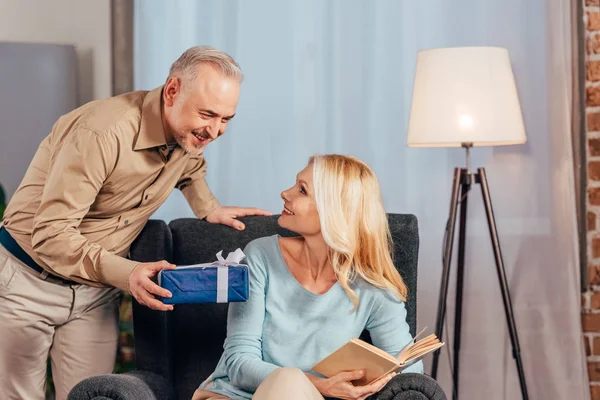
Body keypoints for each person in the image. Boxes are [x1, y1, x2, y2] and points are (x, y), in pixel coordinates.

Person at [0, 46, 270, 400]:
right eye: (208, 114)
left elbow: (190, 166)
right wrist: (128, 273)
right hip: (26, 281)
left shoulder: (187, 133)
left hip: (94, 294)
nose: (215, 131)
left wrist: (208, 208)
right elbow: (50, 234)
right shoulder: (101, 133)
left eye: (226, 119)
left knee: (90, 395)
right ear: (172, 90)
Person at [193, 155, 423, 400]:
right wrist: (320, 385)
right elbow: (239, 362)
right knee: (288, 379)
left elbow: (409, 371)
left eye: (302, 190)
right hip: (233, 395)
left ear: (333, 210)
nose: (285, 193)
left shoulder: (372, 287)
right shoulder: (260, 256)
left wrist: (369, 383)